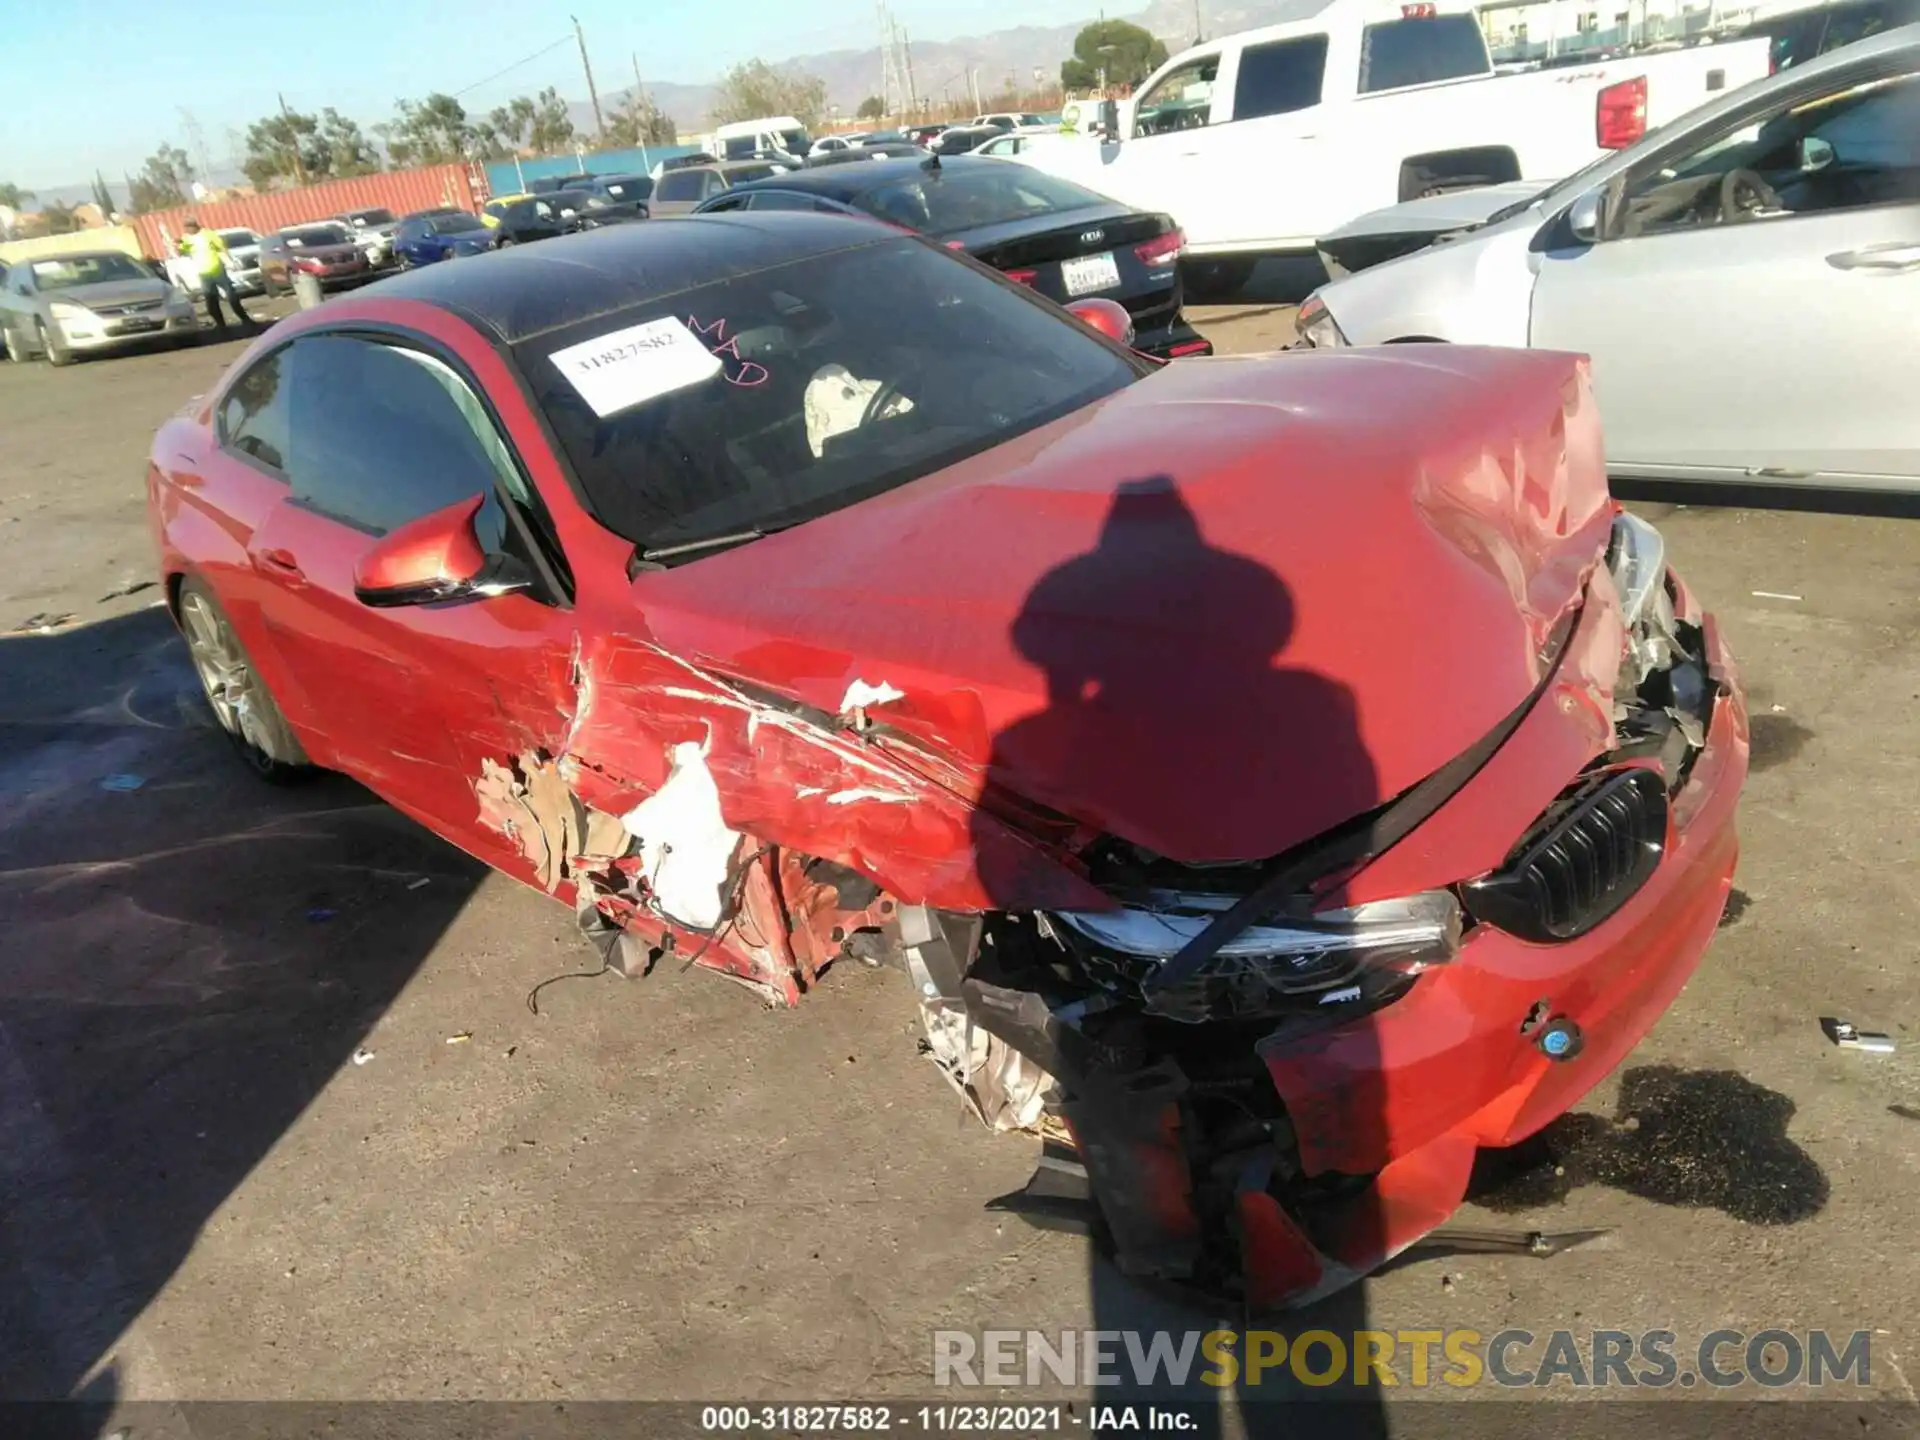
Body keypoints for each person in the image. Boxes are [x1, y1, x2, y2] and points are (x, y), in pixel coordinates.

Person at [177, 218, 260, 340]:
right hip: (203, 273)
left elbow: (221, 247)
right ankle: (221, 325)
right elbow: (182, 252)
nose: (188, 229)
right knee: (211, 300)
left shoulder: (208, 234)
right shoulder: (186, 239)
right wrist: (178, 245)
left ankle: (245, 320)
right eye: (186, 227)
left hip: (217, 270)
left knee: (231, 296)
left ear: (196, 226)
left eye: (190, 227)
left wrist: (230, 260)